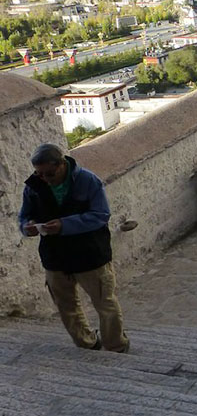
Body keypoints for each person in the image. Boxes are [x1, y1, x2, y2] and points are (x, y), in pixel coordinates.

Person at [18, 143, 130, 353]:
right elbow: (24, 216)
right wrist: (27, 227)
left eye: (49, 174)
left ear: (62, 165)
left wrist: (64, 225)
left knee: (105, 304)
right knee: (66, 307)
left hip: (90, 255)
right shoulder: (34, 186)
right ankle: (87, 343)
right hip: (55, 258)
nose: (44, 179)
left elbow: (101, 215)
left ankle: (116, 346)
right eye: (39, 173)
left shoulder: (87, 181)